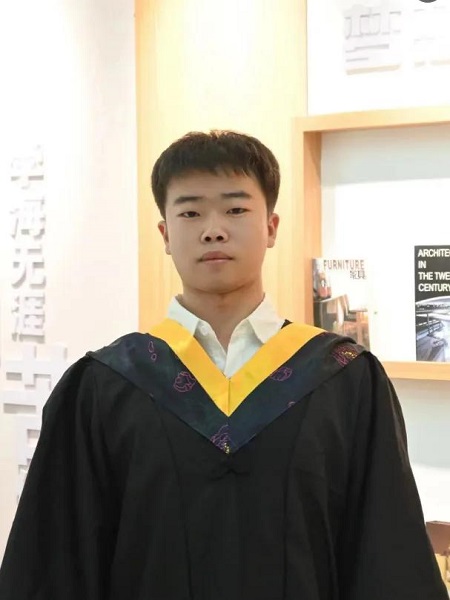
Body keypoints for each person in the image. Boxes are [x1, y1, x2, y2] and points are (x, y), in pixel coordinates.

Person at [0, 130, 447, 600]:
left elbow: (387, 555)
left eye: (235, 209)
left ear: (271, 227)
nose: (213, 229)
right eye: (190, 212)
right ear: (165, 234)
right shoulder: (105, 385)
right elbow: (55, 564)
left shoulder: (343, 378)